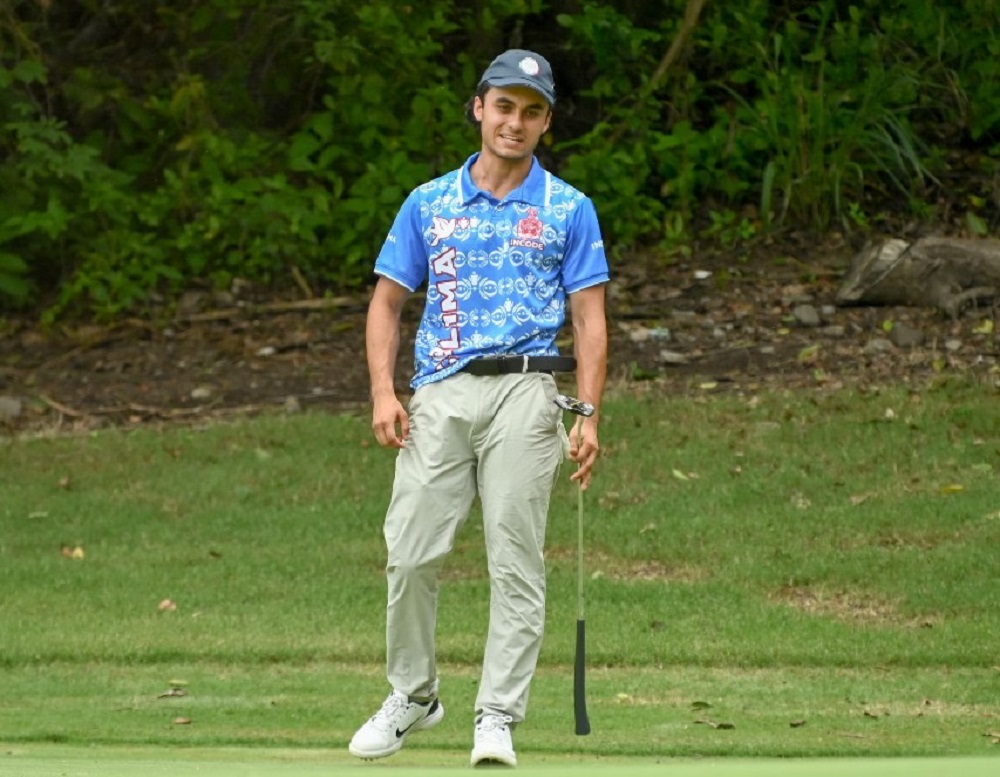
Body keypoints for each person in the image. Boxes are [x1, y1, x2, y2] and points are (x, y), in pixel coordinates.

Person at [349, 48, 609, 768]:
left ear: (545, 121)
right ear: (479, 108)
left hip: (528, 389)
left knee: (515, 558)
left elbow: (589, 317)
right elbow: (387, 302)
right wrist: (382, 389)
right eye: (504, 106)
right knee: (409, 550)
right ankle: (414, 694)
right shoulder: (428, 202)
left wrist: (588, 412)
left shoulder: (568, 208)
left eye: (531, 111)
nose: (514, 122)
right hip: (440, 389)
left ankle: (496, 714)